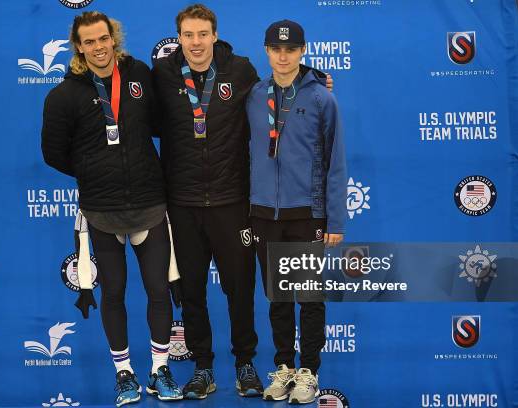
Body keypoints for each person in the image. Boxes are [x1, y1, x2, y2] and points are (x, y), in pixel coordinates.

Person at [152, 4, 334, 400]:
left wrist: (315, 78)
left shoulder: (241, 71)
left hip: (234, 202)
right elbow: (139, 117)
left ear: (215, 35)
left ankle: (245, 364)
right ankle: (202, 367)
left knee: (241, 288)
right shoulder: (163, 75)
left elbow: (284, 88)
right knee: (193, 290)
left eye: (203, 34)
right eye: (188, 35)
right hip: (183, 203)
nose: (196, 42)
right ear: (178, 38)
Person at [41, 11, 182, 407]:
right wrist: (93, 168)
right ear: (79, 47)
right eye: (89, 42)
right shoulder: (63, 95)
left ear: (113, 38)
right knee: (114, 294)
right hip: (101, 212)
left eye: (104, 39)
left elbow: (164, 121)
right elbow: (53, 153)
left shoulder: (138, 75)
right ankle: (124, 374)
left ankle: (160, 369)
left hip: (149, 206)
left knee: (158, 292)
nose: (98, 47)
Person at [246, 20, 346, 404]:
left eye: (291, 49)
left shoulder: (322, 98)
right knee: (278, 298)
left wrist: (334, 219)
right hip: (264, 215)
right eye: (276, 49)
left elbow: (335, 161)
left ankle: (309, 372)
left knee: (309, 298)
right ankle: (284, 367)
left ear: (302, 51)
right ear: (267, 51)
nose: (283, 56)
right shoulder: (254, 95)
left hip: (306, 213)